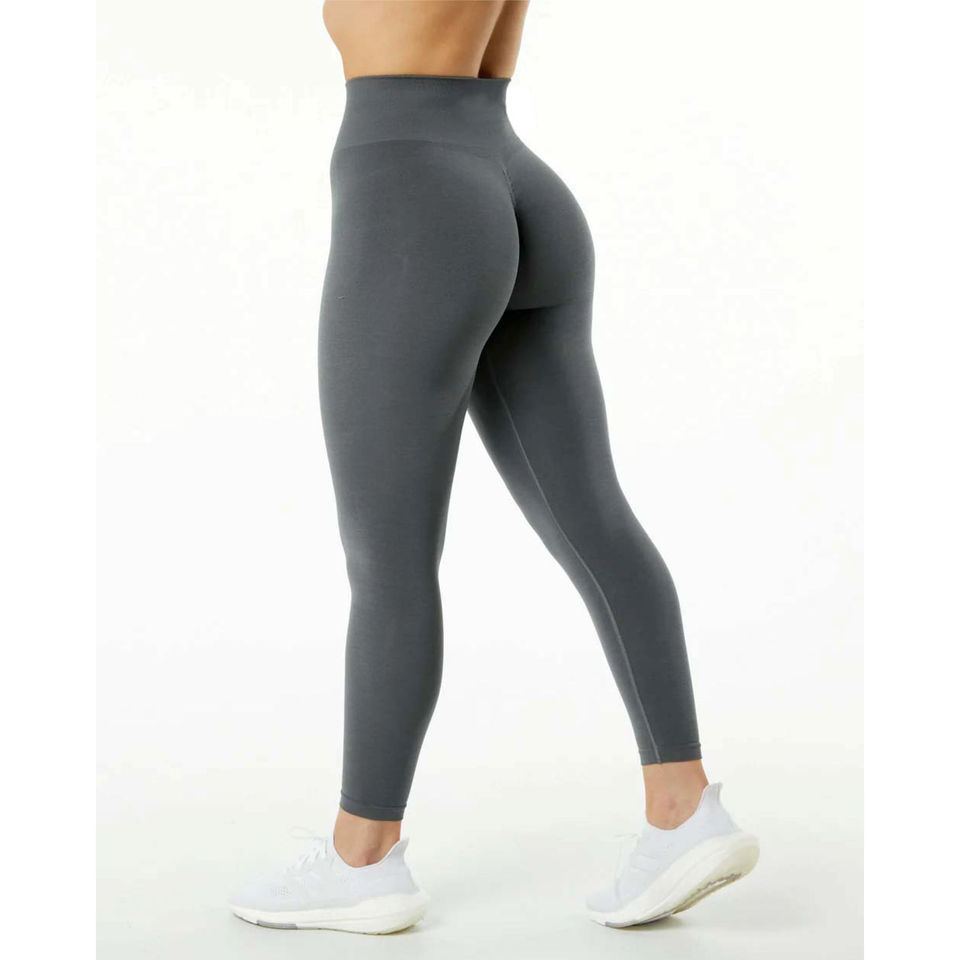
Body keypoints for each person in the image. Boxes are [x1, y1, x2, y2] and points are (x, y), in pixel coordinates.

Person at [228, 0, 758, 934]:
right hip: (514, 183)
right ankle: (683, 807)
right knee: (594, 516)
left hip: (412, 201)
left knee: (388, 561)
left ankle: (362, 859)